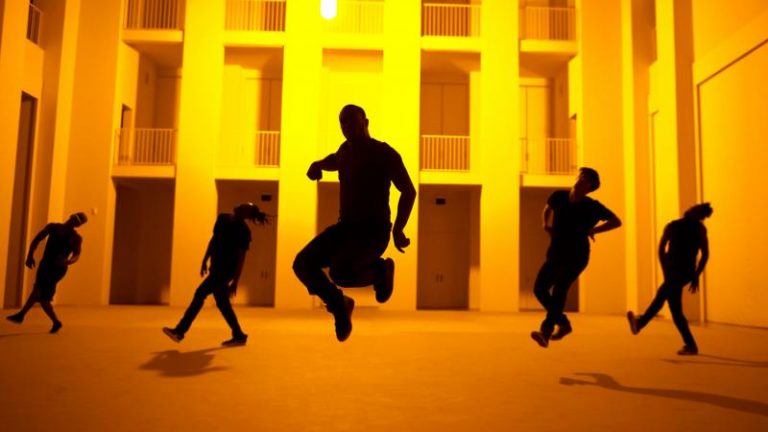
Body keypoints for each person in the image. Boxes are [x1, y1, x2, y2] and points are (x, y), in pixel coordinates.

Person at [293, 104, 417, 342]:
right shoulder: (345, 151)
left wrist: (399, 228)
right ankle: (339, 304)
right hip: (345, 229)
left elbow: (408, 191)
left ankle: (380, 271)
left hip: (373, 232)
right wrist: (318, 164)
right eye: (342, 122)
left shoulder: (383, 153)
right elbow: (335, 159)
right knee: (302, 263)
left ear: (366, 122)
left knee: (340, 273)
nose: (346, 126)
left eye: (351, 121)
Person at [531, 168, 622, 348]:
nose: (581, 180)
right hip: (556, 252)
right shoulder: (558, 196)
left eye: (586, 180)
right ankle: (564, 324)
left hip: (577, 254)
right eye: (581, 176)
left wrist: (593, 230)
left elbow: (616, 221)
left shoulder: (592, 206)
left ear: (591, 187)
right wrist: (545, 225)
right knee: (539, 289)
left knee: (559, 289)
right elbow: (547, 208)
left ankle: (546, 331)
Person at [163, 203, 268, 347]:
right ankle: (239, 334)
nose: (241, 206)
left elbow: (241, 258)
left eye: (245, 208)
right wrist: (205, 259)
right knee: (223, 303)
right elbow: (213, 240)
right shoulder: (222, 218)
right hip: (216, 267)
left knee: (200, 293)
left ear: (246, 215)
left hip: (225, 271)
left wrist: (235, 281)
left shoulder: (244, 231)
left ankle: (180, 331)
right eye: (243, 204)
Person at [627, 203, 713, 356]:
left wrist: (694, 275)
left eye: (696, 211)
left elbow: (704, 254)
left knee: (662, 296)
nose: (691, 211)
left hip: (682, 272)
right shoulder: (677, 226)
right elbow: (662, 249)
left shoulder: (694, 229)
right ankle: (690, 345)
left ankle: (640, 322)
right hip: (678, 272)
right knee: (676, 311)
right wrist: (691, 274)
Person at [6, 212, 88, 333]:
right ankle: (55, 322)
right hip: (45, 264)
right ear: (70, 216)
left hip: (58, 269)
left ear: (78, 225)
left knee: (38, 290)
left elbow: (77, 254)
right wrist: (30, 255)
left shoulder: (75, 238)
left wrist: (68, 261)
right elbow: (37, 239)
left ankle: (21, 314)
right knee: (43, 298)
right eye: (74, 218)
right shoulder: (53, 227)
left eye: (77, 222)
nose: (73, 222)